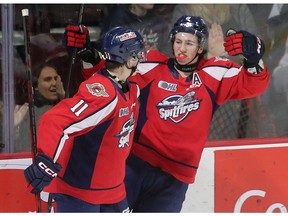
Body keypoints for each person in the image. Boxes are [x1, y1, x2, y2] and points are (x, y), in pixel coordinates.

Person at [65, 16, 270, 212]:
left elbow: (253, 85)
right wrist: (88, 55)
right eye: (178, 41)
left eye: (189, 43)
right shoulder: (151, 64)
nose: (181, 48)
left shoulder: (215, 72)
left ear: (200, 47)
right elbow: (108, 79)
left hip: (175, 177)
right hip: (134, 163)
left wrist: (253, 60)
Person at [23, 26, 145, 212]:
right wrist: (47, 162)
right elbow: (55, 121)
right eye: (137, 55)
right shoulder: (105, 96)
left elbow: (105, 76)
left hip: (114, 189)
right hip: (81, 193)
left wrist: (92, 61)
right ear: (130, 59)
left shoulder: (131, 86)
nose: (141, 59)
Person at [14, 62, 65, 152]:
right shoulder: (25, 113)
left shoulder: (65, 108)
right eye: (48, 79)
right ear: (35, 86)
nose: (54, 83)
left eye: (56, 79)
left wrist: (63, 99)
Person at [99, 4, 171, 56]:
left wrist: (158, 53)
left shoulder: (158, 21)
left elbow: (167, 49)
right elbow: (108, 51)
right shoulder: (118, 20)